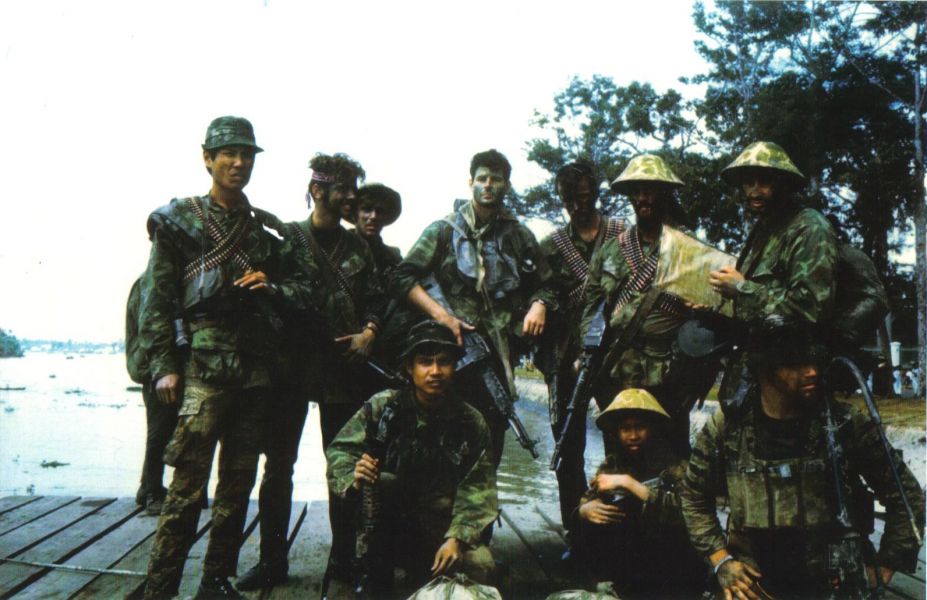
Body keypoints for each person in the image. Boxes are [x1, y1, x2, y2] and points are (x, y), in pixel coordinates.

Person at [140, 116, 312, 600]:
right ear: (207, 158)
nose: (239, 163)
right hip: (200, 374)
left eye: (247, 155)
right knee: (185, 491)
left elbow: (303, 290)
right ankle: (160, 589)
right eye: (229, 154)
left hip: (254, 376)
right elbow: (158, 299)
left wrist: (271, 286)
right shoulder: (180, 221)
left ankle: (214, 583)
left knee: (236, 488)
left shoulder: (266, 232)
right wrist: (163, 366)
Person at [680, 320, 925, 600]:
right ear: (764, 368)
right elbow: (693, 496)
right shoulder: (728, 428)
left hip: (830, 586)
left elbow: (905, 495)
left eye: (815, 360)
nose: (812, 371)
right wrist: (721, 560)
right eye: (795, 363)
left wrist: (886, 565)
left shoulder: (843, 425)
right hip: (756, 586)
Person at [237, 153, 385, 590]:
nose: (351, 198)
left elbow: (377, 298)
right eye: (342, 189)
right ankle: (271, 562)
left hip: (343, 369)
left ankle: (342, 560)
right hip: (290, 368)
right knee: (279, 465)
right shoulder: (287, 240)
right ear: (317, 190)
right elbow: (264, 291)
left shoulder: (359, 246)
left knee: (341, 467)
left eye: (353, 189)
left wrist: (369, 334)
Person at [390, 149, 558, 466]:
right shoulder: (444, 230)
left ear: (506, 185)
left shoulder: (519, 235)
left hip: (496, 354)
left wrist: (538, 304)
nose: (488, 185)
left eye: (496, 179)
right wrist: (443, 317)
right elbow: (402, 277)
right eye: (482, 178)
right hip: (446, 352)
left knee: (489, 442)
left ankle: (482, 512)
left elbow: (547, 284)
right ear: (471, 183)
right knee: (439, 444)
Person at [326, 320, 498, 596]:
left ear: (454, 367)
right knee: (383, 482)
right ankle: (372, 574)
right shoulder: (383, 407)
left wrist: (456, 538)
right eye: (425, 362)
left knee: (483, 567)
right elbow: (340, 451)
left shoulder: (471, 422)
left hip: (441, 528)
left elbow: (479, 491)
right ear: (410, 367)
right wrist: (354, 477)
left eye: (444, 362)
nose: (435, 371)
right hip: (387, 527)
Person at [581, 154, 731, 456]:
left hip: (669, 375)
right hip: (616, 372)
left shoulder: (690, 250)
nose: (642, 197)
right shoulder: (612, 249)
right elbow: (591, 308)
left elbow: (716, 319)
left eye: (650, 189)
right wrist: (587, 354)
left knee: (670, 458)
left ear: (665, 193)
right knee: (618, 456)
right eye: (636, 190)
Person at [537, 159, 625, 553]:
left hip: (617, 358)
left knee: (621, 443)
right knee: (567, 450)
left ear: (596, 194)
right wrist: (539, 302)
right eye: (571, 199)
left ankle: (622, 529)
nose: (579, 204)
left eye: (585, 196)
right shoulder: (552, 246)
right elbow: (534, 289)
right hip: (566, 360)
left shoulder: (623, 235)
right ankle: (576, 529)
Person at [708, 141, 838, 400]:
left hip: (794, 374)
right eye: (748, 182)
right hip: (759, 369)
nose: (754, 192)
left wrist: (742, 289)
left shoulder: (810, 228)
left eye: (765, 181)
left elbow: (812, 307)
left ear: (784, 184)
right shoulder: (764, 230)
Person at [575, 388, 705, 599]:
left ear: (653, 428)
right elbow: (588, 498)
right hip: (629, 560)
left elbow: (686, 512)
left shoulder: (675, 465)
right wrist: (584, 510)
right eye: (626, 429)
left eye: (640, 427)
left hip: (669, 562)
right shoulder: (613, 464)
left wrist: (629, 483)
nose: (633, 436)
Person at [348, 182, 403, 282]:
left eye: (379, 211)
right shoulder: (339, 249)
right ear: (355, 214)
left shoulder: (393, 257)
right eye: (367, 210)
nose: (374, 216)